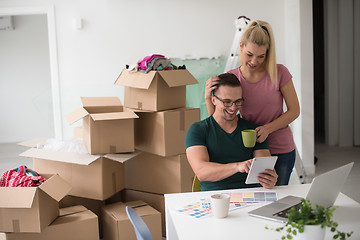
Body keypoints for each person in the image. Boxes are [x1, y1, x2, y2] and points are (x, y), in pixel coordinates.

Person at [205, 20, 300, 186]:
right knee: (254, 200)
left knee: (279, 198)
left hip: (281, 148)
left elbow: (294, 110)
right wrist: (208, 98)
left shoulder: (280, 72)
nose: (254, 61)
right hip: (248, 149)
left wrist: (268, 128)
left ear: (268, 53)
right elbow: (218, 119)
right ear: (241, 46)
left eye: (261, 56)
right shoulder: (232, 77)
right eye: (249, 54)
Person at [185, 73, 278, 191]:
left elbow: (264, 170)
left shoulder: (254, 131)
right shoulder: (198, 130)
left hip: (249, 196)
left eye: (238, 101)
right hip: (213, 198)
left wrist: (269, 179)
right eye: (227, 102)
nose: (233, 108)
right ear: (213, 100)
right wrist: (237, 166)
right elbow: (201, 172)